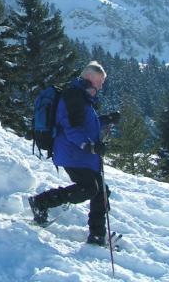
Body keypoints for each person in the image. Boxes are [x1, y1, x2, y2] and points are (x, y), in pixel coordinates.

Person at [28, 61, 118, 246]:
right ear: (91, 78)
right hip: (72, 153)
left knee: (100, 191)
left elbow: (85, 124)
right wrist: (89, 146)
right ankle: (41, 202)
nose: (101, 86)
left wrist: (106, 120)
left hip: (82, 155)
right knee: (89, 188)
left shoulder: (83, 97)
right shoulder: (73, 96)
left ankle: (97, 235)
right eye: (100, 81)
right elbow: (71, 128)